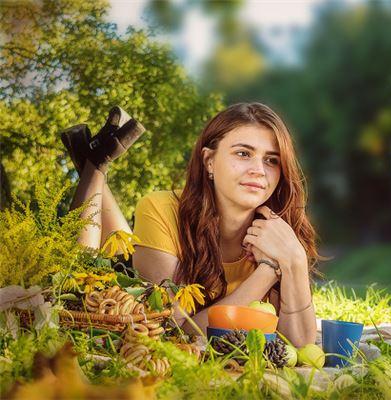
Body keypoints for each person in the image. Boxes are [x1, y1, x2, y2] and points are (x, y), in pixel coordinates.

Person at [62, 103, 319, 346]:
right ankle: (96, 166)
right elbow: (176, 332)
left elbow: (298, 342)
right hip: (129, 294)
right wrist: (269, 270)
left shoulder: (279, 232)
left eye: (271, 160)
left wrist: (294, 257)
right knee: (88, 265)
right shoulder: (160, 207)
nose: (259, 170)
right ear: (209, 161)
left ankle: (92, 162)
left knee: (122, 245)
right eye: (243, 153)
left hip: (140, 260)